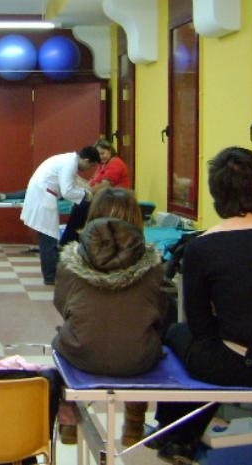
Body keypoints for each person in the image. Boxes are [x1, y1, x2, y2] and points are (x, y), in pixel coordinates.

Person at [148, 147, 252, 463]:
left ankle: (174, 433)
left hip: (242, 366)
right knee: (215, 345)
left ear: (215, 194)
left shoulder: (203, 247)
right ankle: (176, 436)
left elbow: (199, 324)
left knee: (177, 333)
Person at [52, 187, 167, 447]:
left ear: (93, 216)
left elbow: (62, 304)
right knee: (148, 334)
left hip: (81, 354)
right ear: (137, 219)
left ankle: (69, 420)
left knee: (63, 338)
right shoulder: (152, 262)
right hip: (137, 360)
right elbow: (160, 311)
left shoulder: (71, 259)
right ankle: (134, 424)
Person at [20, 146, 100, 285]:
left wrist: (86, 189)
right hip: (43, 198)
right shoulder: (70, 163)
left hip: (43, 195)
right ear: (86, 160)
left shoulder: (69, 160)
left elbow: (74, 182)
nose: (89, 169)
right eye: (91, 166)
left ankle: (52, 273)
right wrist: (85, 194)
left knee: (49, 238)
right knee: (49, 239)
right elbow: (67, 191)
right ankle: (50, 277)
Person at [59, 138, 131, 245]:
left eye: (103, 153)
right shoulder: (102, 165)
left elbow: (104, 185)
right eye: (99, 154)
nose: (101, 156)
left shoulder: (115, 163)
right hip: (104, 198)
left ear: (110, 151)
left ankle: (68, 242)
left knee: (81, 207)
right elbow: (91, 183)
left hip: (116, 200)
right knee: (79, 205)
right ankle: (72, 240)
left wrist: (85, 193)